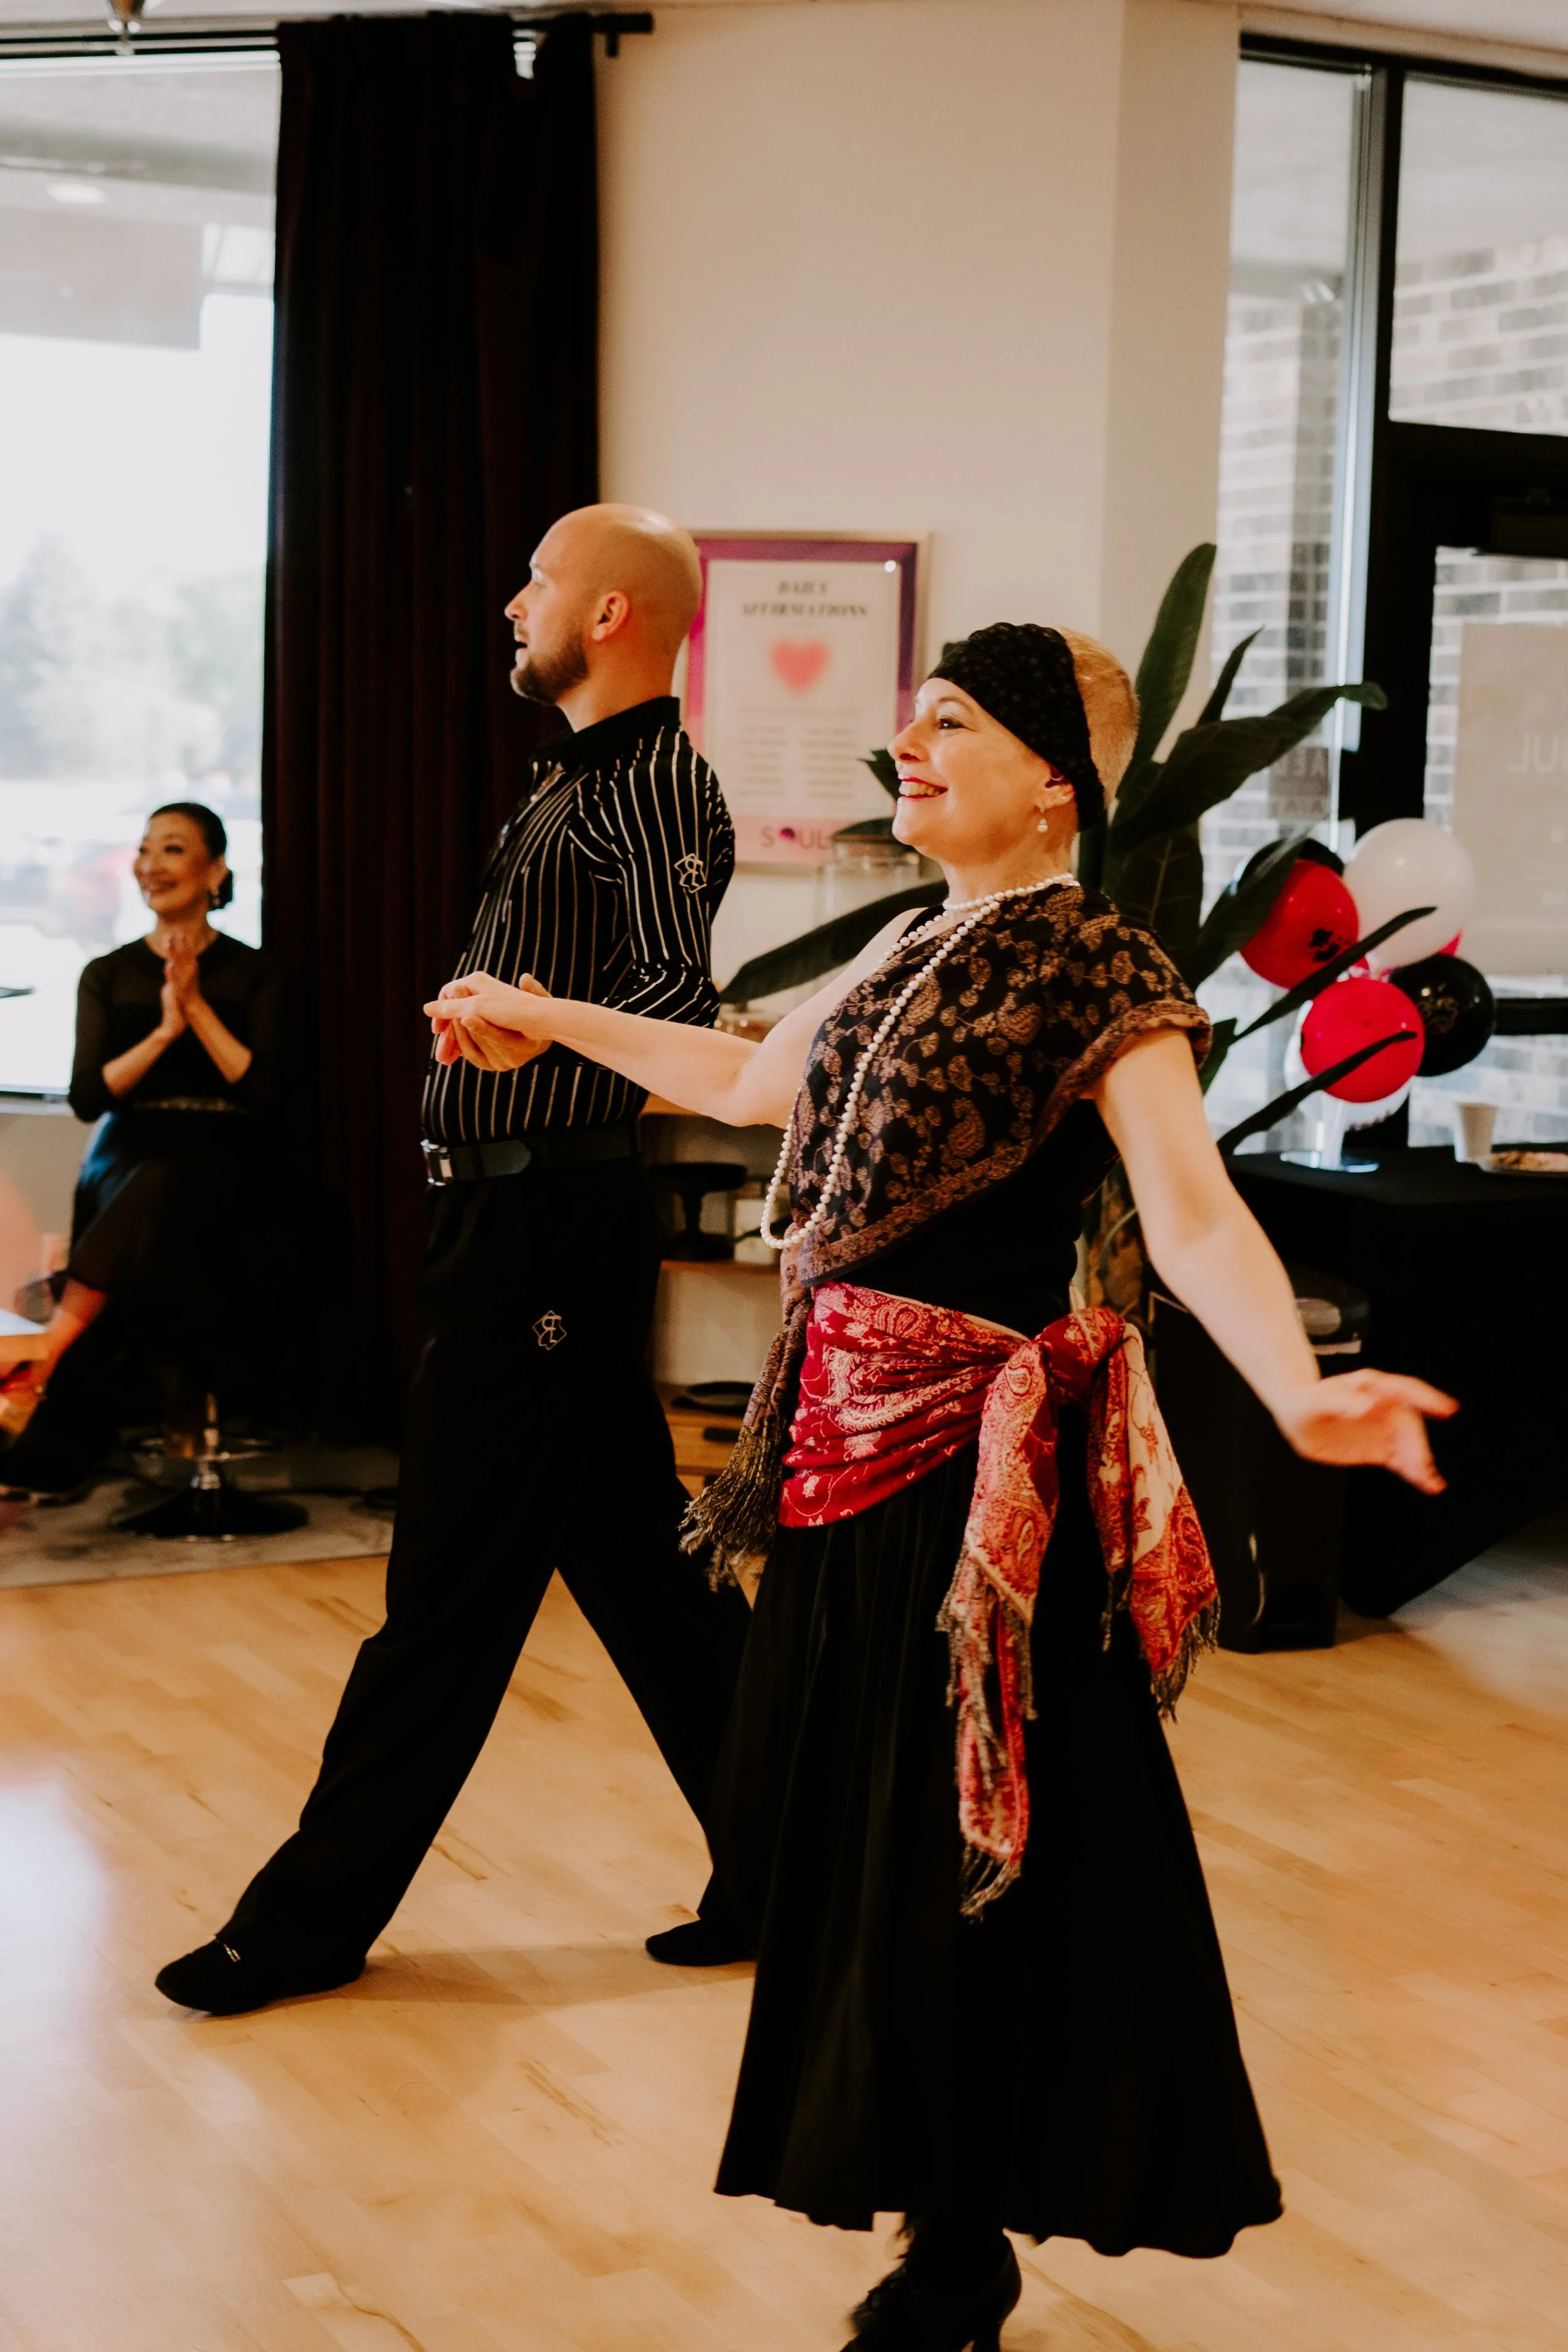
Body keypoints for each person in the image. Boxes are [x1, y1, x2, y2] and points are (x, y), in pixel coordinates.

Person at [426, 620, 1456, 2350]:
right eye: (909, 719)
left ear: (1051, 774)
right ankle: (942, 2213)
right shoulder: (910, 937)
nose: (907, 744)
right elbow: (751, 1081)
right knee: (858, 1851)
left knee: (970, 1852)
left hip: (967, 1489)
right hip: (832, 1464)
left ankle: (959, 2234)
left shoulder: (1094, 962)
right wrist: (541, 1012)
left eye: (951, 720)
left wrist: (1298, 1387)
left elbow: (1191, 1209)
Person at [156, 504, 755, 2020]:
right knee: (650, 1579)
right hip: (507, 1219)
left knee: (444, 1602)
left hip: (547, 1229)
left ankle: (304, 1921)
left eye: (539, 580)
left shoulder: (658, 786)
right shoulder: (574, 779)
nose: (511, 602)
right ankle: (796, 1861)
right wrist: (517, 1018)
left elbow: (680, 1013)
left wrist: (537, 1022)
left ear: (611, 614)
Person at [0, 803, 283, 1498]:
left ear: (215, 869)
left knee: (169, 1182)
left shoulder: (254, 972)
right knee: (148, 1179)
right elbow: (89, 1098)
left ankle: (51, 1353)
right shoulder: (108, 971)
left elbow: (269, 1094)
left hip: (224, 1148)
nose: (151, 864)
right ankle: (100, 1394)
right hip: (126, 1144)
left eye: (173, 848)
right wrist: (162, 1030)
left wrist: (197, 1009)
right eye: (145, 848)